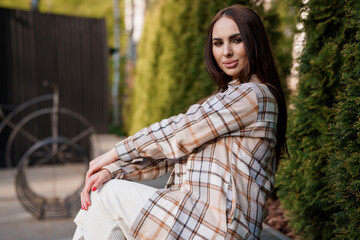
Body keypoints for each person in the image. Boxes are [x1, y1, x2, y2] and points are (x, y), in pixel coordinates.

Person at [73, 4, 287, 240]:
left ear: (254, 42)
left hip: (216, 227)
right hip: (198, 218)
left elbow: (179, 131)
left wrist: (113, 154)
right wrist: (114, 170)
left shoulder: (255, 95)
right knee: (101, 194)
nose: (226, 52)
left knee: (108, 196)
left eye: (236, 40)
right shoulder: (226, 98)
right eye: (218, 43)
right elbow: (170, 155)